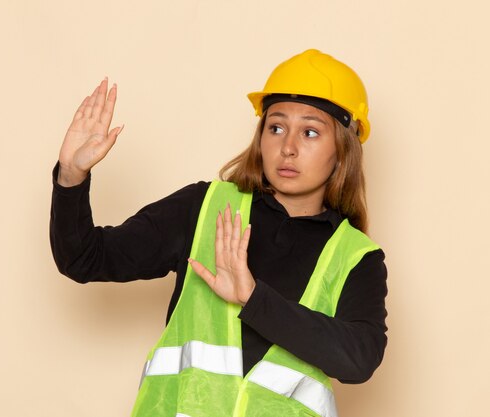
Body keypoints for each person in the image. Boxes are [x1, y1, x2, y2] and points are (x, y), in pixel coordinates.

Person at [50, 49, 387, 417]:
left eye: (310, 132)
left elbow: (359, 360)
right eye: (275, 127)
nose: (287, 148)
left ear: (342, 148)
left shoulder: (356, 256)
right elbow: (83, 259)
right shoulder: (204, 208)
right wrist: (71, 177)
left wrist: (254, 298)